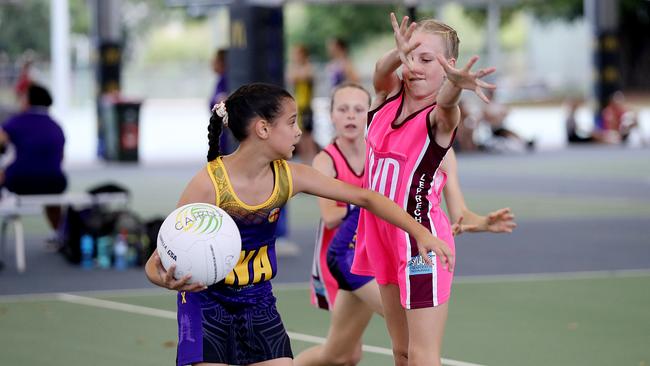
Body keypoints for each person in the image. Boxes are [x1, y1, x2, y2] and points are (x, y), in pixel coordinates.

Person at [144, 83, 454, 366]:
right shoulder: (208, 184)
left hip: (258, 300)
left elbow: (366, 197)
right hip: (206, 303)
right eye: (291, 122)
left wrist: (420, 231)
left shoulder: (290, 176)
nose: (298, 132)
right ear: (263, 128)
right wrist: (165, 280)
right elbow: (158, 260)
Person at [297, 83, 515, 366]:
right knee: (413, 341)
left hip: (395, 251)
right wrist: (377, 200)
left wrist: (482, 222)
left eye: (358, 109)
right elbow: (330, 215)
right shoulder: (345, 154)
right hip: (351, 254)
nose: (351, 116)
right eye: (342, 109)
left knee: (342, 355)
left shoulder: (439, 150)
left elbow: (459, 213)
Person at [350, 14, 496, 366]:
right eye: (410, 56)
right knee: (401, 353)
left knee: (421, 355)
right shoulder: (388, 97)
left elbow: (448, 103)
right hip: (381, 233)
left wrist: (456, 85)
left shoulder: (439, 117)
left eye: (426, 59)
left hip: (420, 242)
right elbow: (380, 72)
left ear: (449, 65)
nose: (414, 66)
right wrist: (398, 52)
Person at [0, 83, 67, 231]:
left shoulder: (16, 121)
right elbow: (61, 158)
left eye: (22, 96)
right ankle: (60, 234)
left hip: (20, 181)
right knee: (52, 193)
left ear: (28, 100)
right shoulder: (56, 126)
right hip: (55, 182)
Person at [287, 44, 318, 163]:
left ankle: (312, 161)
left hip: (306, 107)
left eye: (297, 54)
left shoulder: (308, 68)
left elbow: (302, 76)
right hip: (298, 107)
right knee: (300, 137)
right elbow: (291, 77)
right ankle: (306, 161)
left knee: (308, 137)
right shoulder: (296, 68)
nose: (295, 57)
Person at [209, 48, 236, 155]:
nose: (212, 63)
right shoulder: (221, 79)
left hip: (226, 136)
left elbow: (222, 100)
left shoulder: (226, 79)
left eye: (215, 60)